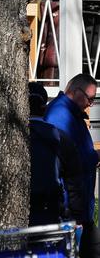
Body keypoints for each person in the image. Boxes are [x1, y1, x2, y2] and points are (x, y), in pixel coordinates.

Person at [44, 73, 100, 258]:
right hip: (69, 211)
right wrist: (94, 157)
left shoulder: (72, 114)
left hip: (80, 209)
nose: (91, 104)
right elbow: (68, 161)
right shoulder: (60, 115)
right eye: (90, 98)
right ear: (76, 92)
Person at [28, 82, 85, 226]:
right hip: (51, 212)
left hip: (17, 212)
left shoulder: (8, 138)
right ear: (44, 108)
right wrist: (77, 216)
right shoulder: (59, 137)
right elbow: (74, 181)